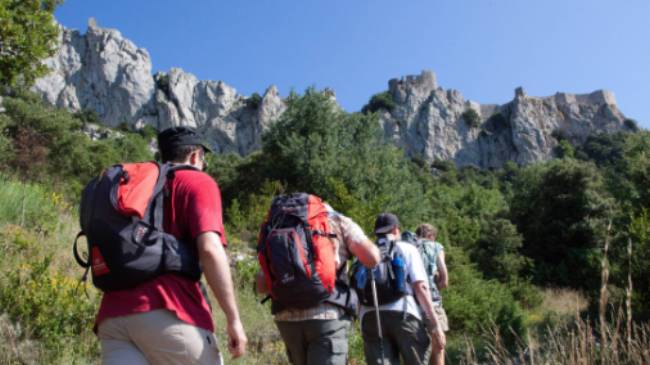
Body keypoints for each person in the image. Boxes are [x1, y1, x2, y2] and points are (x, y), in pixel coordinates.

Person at [95, 127, 247, 364]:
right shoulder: (197, 181)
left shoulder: (139, 186)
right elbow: (210, 249)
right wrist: (233, 318)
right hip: (169, 310)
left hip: (113, 318)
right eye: (203, 159)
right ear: (195, 155)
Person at [256, 198, 380, 365]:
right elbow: (372, 258)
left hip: (285, 318)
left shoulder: (275, 224)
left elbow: (262, 286)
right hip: (327, 315)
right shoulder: (337, 220)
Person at [360, 213, 445, 365]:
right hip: (404, 314)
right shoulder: (407, 248)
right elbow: (421, 287)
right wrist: (435, 324)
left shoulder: (366, 251)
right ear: (395, 230)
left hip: (370, 316)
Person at [415, 223, 449, 365]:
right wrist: (440, 283)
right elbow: (444, 278)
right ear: (432, 236)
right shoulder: (436, 247)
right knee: (439, 345)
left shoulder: (409, 246)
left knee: (415, 349)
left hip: (412, 304)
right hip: (432, 301)